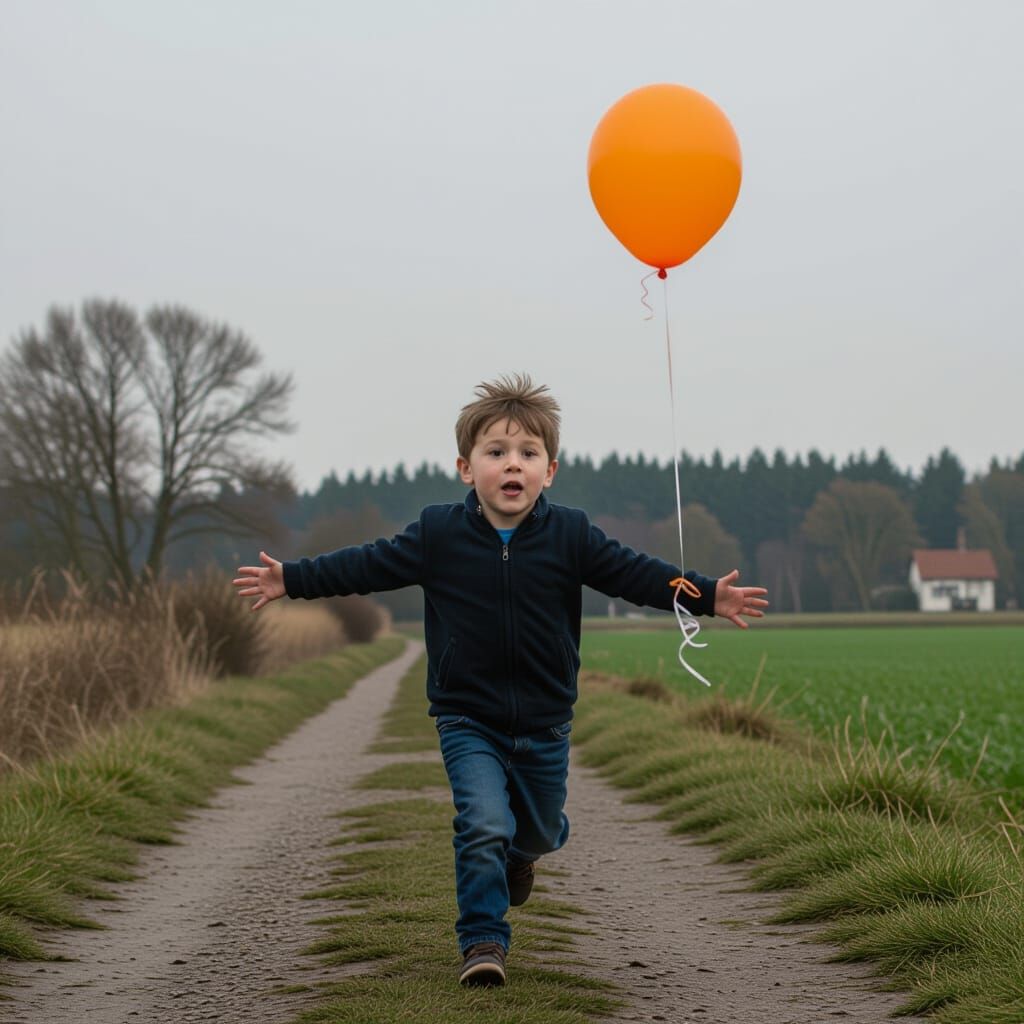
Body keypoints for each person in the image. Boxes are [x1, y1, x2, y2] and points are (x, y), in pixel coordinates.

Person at [233, 373, 768, 988]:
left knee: (537, 829)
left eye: (527, 454)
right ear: (467, 468)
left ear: (550, 470)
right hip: (468, 717)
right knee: (483, 822)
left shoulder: (570, 534)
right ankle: (483, 942)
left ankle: (522, 855)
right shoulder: (438, 533)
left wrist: (705, 594)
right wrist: (291, 579)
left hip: (545, 720)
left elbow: (636, 574)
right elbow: (368, 563)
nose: (512, 465)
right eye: (496, 453)